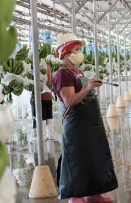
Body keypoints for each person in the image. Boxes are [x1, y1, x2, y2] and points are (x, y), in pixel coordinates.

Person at [53, 33, 118, 203]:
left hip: (89, 124)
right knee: (78, 159)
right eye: (77, 49)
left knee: (93, 157)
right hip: (76, 125)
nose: (80, 52)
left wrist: (91, 84)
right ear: (66, 52)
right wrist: (87, 88)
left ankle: (93, 195)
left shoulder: (76, 71)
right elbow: (69, 101)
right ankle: (76, 197)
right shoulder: (62, 74)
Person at [30, 62, 54, 140]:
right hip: (49, 95)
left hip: (39, 96)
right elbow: (51, 81)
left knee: (40, 117)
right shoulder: (48, 66)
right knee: (49, 117)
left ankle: (41, 136)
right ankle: (50, 135)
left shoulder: (36, 65)